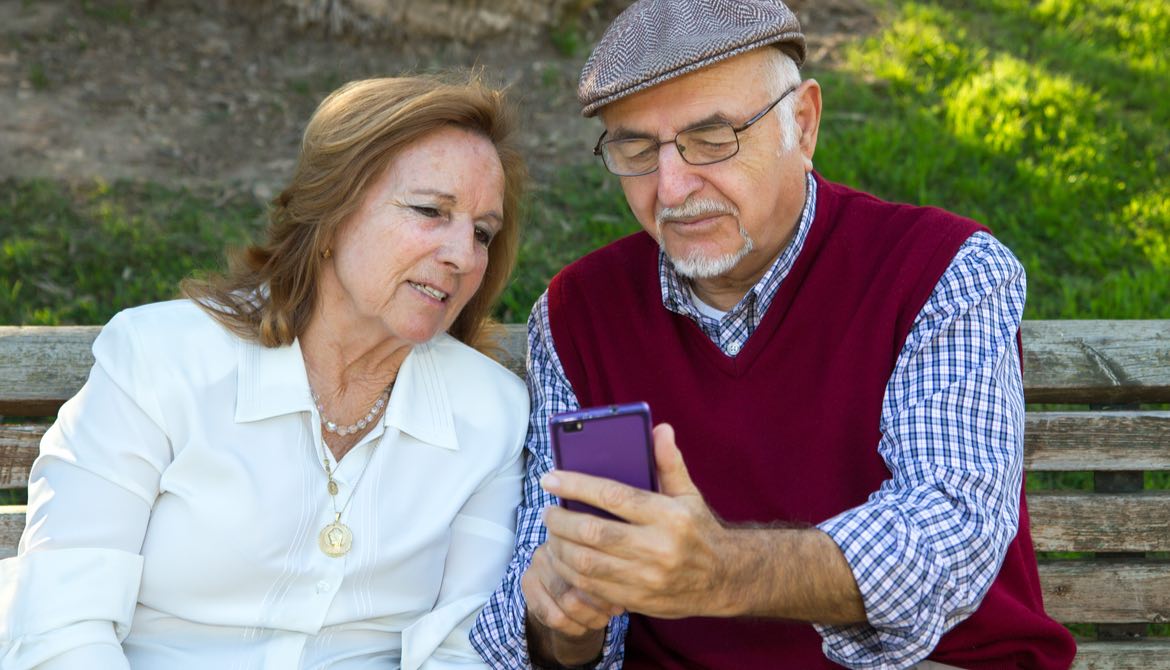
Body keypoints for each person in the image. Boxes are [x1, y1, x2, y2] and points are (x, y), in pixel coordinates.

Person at [470, 1, 1077, 668]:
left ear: (805, 123)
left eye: (713, 137)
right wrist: (567, 620)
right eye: (637, 149)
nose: (672, 187)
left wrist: (724, 570)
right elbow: (541, 624)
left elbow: (947, 537)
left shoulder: (939, 271)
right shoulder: (579, 314)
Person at [0, 73, 530, 669]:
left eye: (483, 232)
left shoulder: (493, 415)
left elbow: (464, 649)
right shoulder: (161, 361)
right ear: (331, 213)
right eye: (431, 210)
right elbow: (61, 625)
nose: (463, 255)